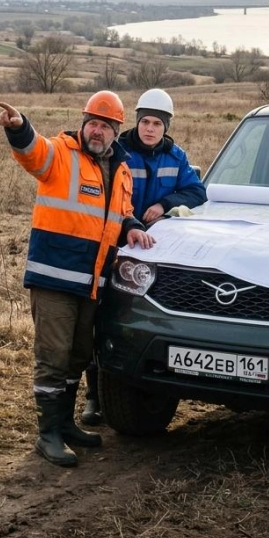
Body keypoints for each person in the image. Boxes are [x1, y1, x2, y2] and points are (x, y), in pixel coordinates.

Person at [0, 91, 155, 467]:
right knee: (52, 357)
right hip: (54, 279)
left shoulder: (120, 169)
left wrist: (131, 227)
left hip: (92, 282)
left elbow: (121, 212)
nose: (96, 131)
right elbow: (33, 152)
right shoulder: (61, 153)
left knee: (80, 354)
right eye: (92, 123)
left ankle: (66, 425)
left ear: (117, 131)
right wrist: (20, 128)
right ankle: (47, 434)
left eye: (105, 125)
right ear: (82, 123)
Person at [80, 88, 207, 426]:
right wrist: (131, 220)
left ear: (166, 127)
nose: (150, 129)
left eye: (157, 123)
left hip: (155, 253)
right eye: (145, 122)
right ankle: (95, 396)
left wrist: (164, 205)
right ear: (136, 122)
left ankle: (146, 384)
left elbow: (197, 191)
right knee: (101, 319)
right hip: (114, 245)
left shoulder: (176, 157)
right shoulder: (118, 152)